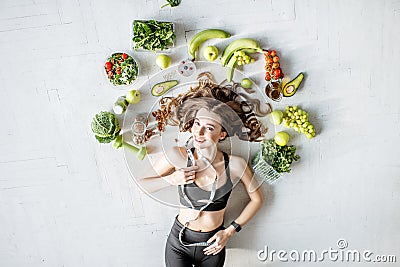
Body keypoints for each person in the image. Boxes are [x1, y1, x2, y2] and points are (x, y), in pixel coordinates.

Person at [138, 77, 266, 267]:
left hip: (213, 244)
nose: (198, 133)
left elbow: (258, 199)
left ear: (222, 134)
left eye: (209, 128)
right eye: (197, 124)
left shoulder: (236, 165)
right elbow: (142, 184)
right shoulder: (177, 156)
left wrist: (230, 231)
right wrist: (170, 179)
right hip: (179, 242)